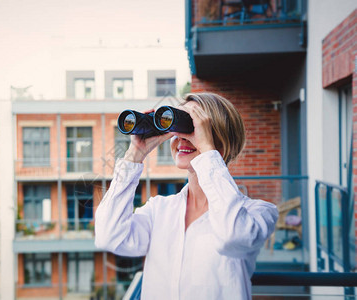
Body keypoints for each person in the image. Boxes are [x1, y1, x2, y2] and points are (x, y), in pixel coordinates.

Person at [95, 92, 278, 300]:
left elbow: (232, 237)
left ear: (221, 140)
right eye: (178, 127)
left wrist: (208, 150)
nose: (181, 137)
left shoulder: (258, 213)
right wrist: (135, 153)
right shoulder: (159, 210)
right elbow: (108, 236)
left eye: (193, 128)